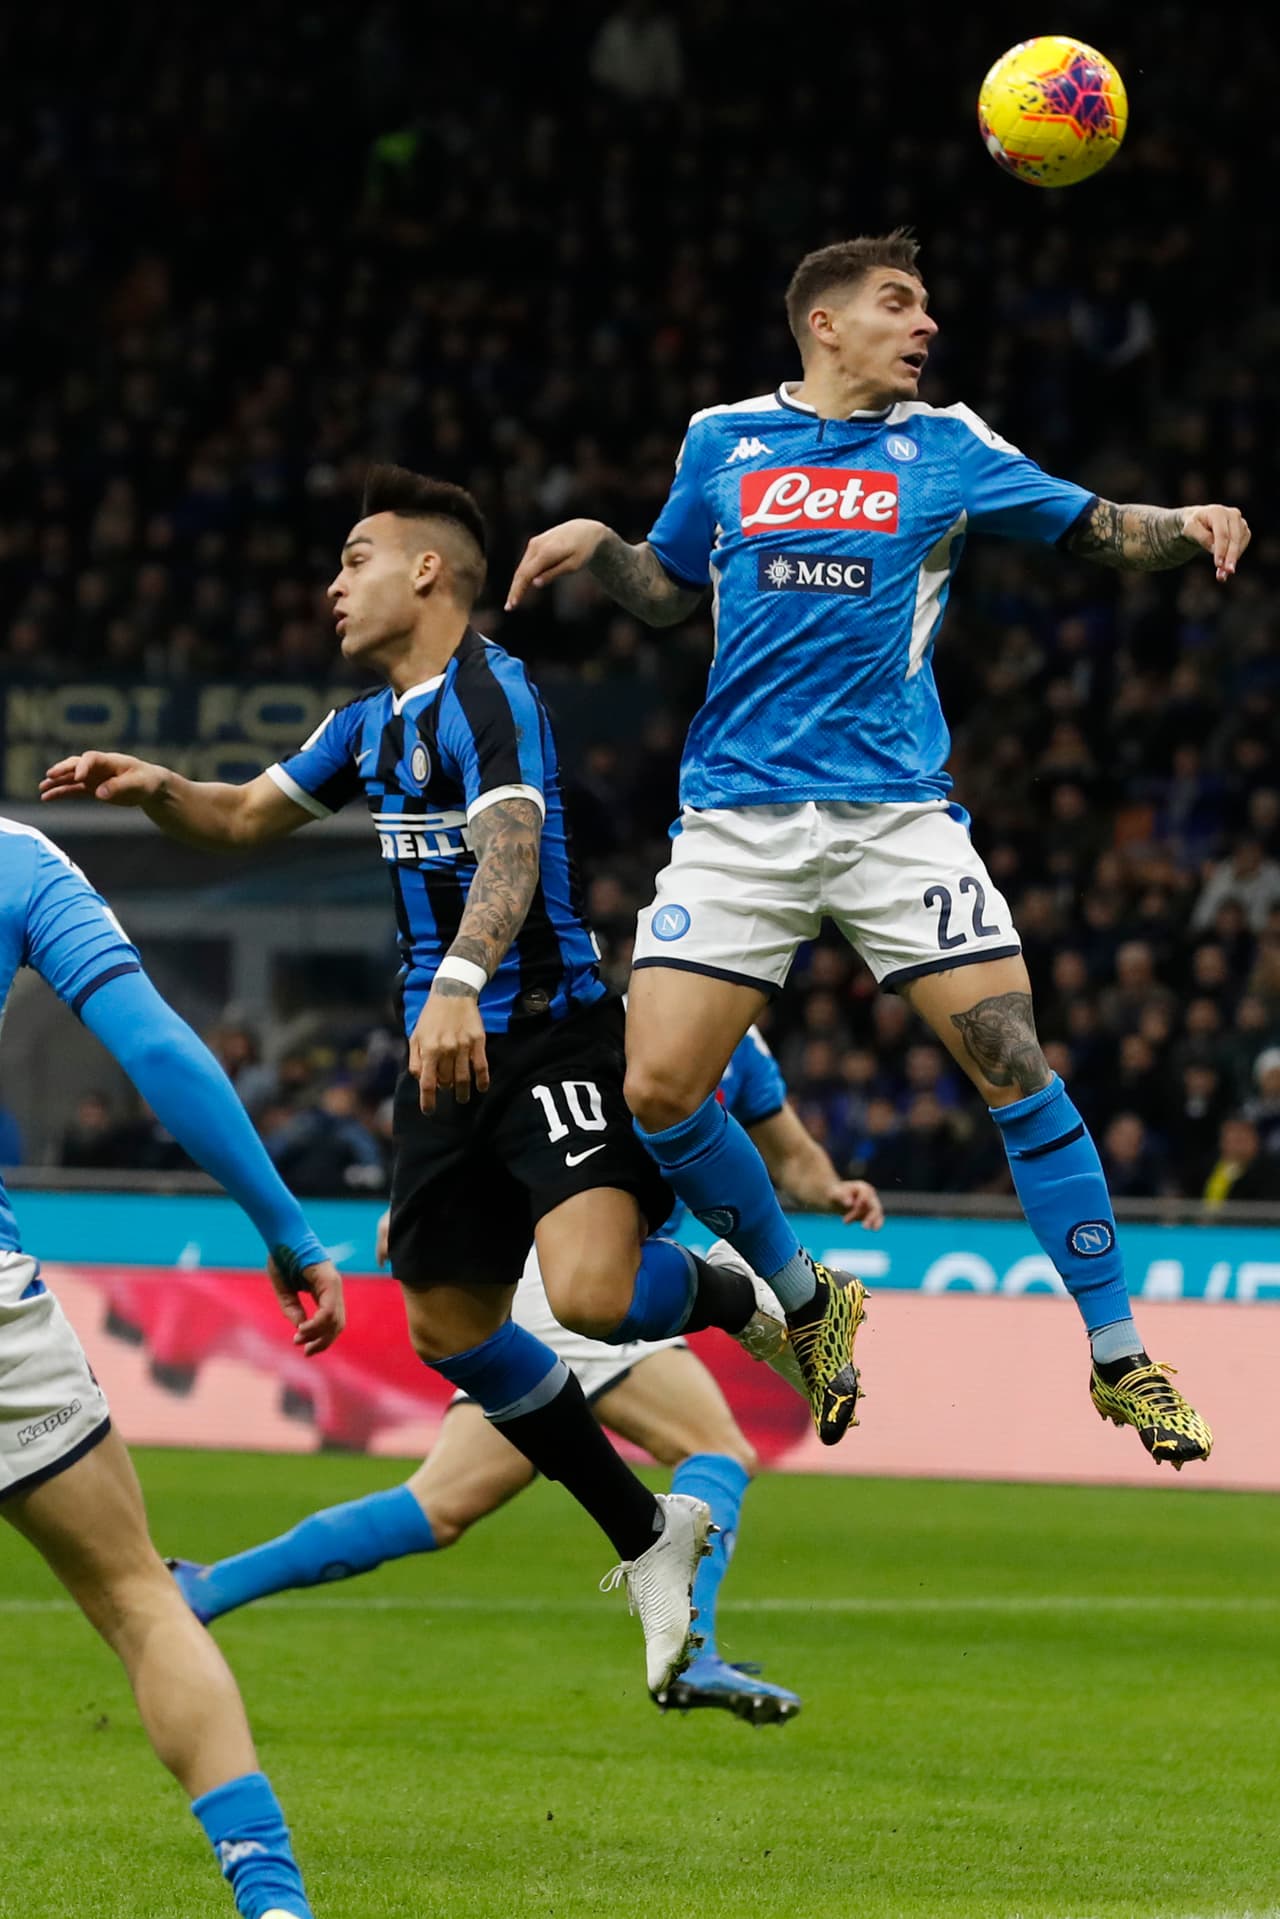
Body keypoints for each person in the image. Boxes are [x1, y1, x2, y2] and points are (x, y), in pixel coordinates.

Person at [42, 465, 808, 1693]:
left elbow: (512, 843)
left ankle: (740, 1297)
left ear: (428, 570)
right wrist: (161, 788)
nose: (333, 584)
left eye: (355, 559)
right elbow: (240, 817)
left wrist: (458, 976)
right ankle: (645, 1532)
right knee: (449, 1327)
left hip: (543, 1034)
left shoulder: (490, 693)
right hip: (442, 1068)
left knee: (593, 1294)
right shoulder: (364, 725)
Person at [506, 228, 1252, 1470]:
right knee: (657, 1090)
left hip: (893, 814)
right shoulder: (720, 439)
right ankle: (808, 1298)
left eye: (924, 306)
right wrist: (597, 543)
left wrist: (1186, 520)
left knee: (1012, 1059)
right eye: (898, 303)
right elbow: (669, 587)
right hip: (738, 818)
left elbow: (1093, 527)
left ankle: (1120, 1354)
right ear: (824, 322)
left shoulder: (946, 445)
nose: (925, 325)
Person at [167, 1027, 884, 1725]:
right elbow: (533, 1107)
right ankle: (692, 1649)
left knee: (438, 1506)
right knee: (717, 1448)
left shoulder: (740, 1046)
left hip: (567, 1280)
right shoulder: (626, 1020)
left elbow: (793, 1159)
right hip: (576, 1274)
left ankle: (207, 1587)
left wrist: (836, 1190)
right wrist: (440, 1208)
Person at [0, 816, 345, 1919]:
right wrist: (287, 1226)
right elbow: (156, 1049)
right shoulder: (21, 861)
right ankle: (273, 1899)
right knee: (140, 1597)